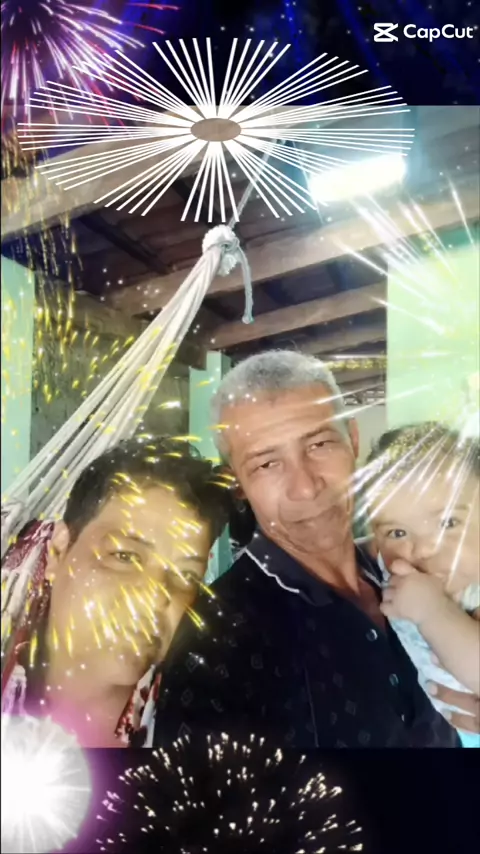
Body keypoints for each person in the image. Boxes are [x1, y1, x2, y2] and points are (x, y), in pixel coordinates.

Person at [152, 351, 461, 748]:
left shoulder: (414, 566)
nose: (306, 487)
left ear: (352, 440)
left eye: (319, 444)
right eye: (266, 464)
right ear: (238, 483)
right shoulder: (216, 644)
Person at [1, 437, 232, 747]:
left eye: (185, 574)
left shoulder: (201, 732)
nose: (156, 597)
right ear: (58, 551)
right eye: (125, 556)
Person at [363, 423, 480, 747]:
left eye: (448, 522)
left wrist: (433, 613)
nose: (424, 549)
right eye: (397, 533)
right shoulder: (391, 576)